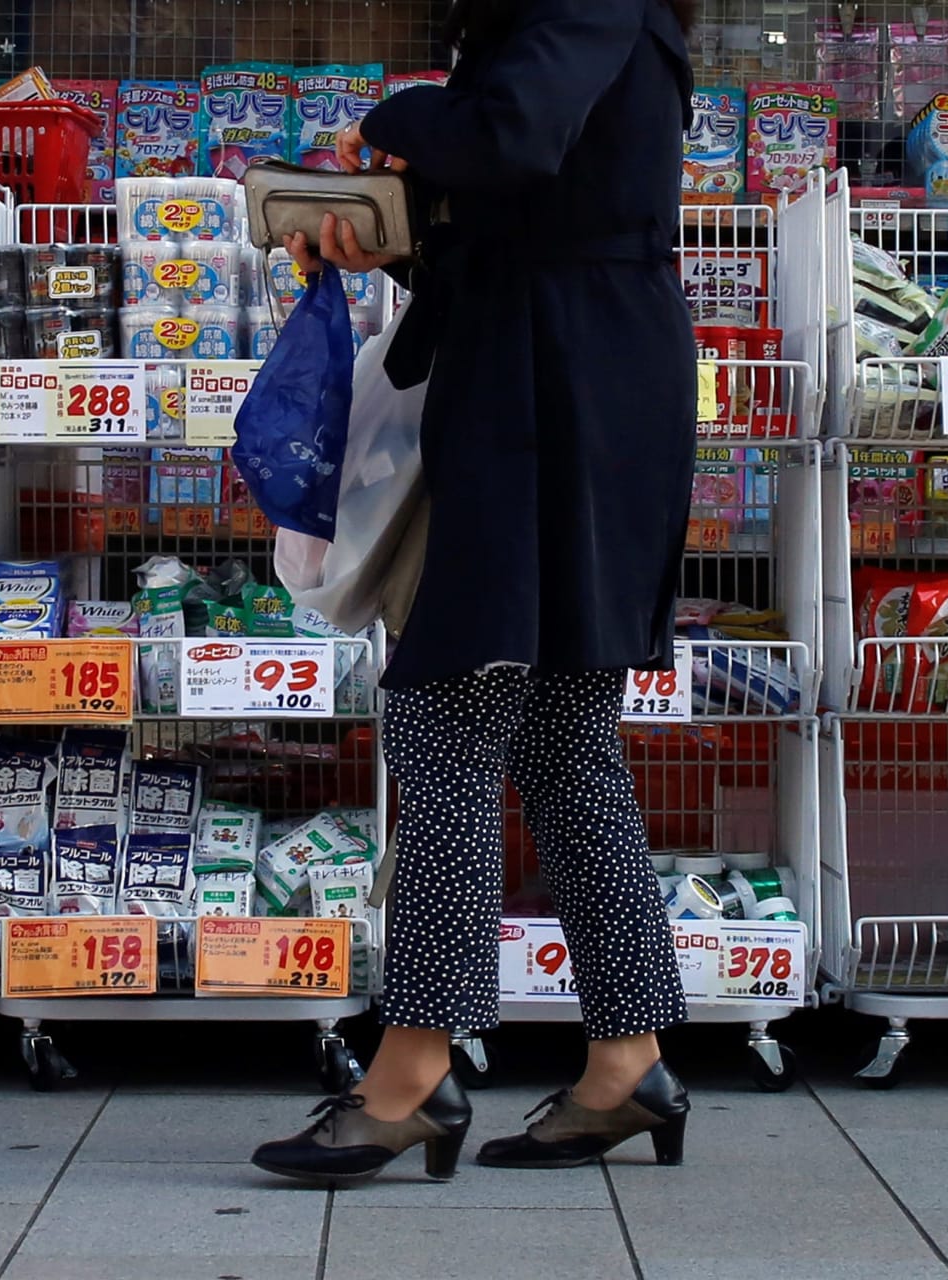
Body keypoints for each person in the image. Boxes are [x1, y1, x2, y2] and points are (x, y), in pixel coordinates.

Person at [250, 0, 699, 1187]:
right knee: (560, 737)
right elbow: (521, 195)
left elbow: (513, 138)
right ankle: (628, 1057)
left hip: (558, 394)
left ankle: (412, 1069)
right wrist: (381, 233)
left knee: (447, 716)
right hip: (570, 377)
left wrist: (393, 118)